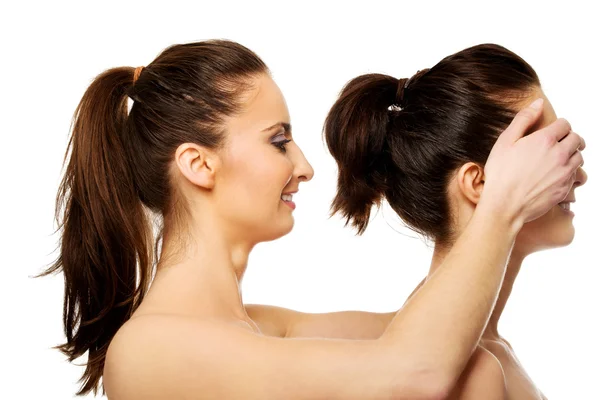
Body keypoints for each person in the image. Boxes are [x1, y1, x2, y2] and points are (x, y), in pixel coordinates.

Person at [41, 40, 584, 399]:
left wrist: (501, 206)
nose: (302, 167)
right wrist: (500, 204)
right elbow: (414, 372)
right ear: (198, 164)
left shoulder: (263, 327)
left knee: (484, 363)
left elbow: (461, 335)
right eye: (278, 141)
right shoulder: (151, 348)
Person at [324, 43, 588, 399]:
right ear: (478, 183)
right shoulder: (472, 370)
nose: (577, 174)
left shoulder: (486, 350)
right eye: (551, 149)